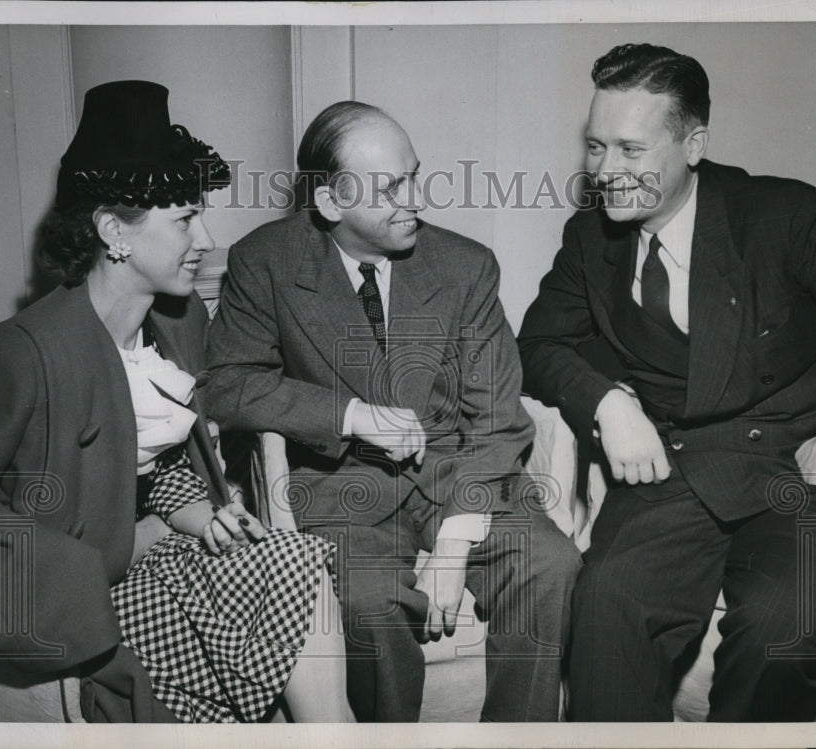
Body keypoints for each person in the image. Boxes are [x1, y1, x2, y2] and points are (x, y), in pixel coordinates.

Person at [0, 80, 353, 724]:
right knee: (291, 569)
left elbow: (163, 470)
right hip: (88, 602)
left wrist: (203, 517)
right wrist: (125, 545)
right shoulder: (13, 353)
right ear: (114, 231)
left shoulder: (179, 320)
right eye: (185, 218)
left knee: (289, 558)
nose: (205, 239)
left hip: (167, 564)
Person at [518, 43, 816, 722]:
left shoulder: (782, 216)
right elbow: (538, 343)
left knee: (778, 630)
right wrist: (607, 403)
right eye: (595, 147)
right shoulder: (590, 239)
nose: (605, 173)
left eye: (629, 149)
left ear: (694, 143)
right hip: (672, 470)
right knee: (603, 606)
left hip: (801, 473)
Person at [203, 101, 582, 722]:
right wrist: (348, 413)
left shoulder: (466, 266)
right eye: (390, 188)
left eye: (414, 176)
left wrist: (457, 542)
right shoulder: (264, 262)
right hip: (339, 492)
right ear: (329, 203)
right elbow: (226, 385)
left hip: (459, 475)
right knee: (367, 604)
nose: (415, 200)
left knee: (551, 561)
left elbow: (497, 416)